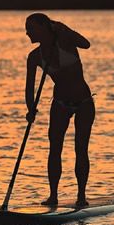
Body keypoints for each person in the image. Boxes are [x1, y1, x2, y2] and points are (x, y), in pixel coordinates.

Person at [24, 13, 95, 207]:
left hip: (83, 102)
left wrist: (64, 28)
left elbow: (86, 44)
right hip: (60, 103)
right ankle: (53, 196)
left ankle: (81, 196)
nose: (27, 32)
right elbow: (29, 88)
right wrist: (31, 109)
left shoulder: (65, 41)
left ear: (44, 27)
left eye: (31, 28)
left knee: (80, 149)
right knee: (54, 149)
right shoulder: (35, 57)